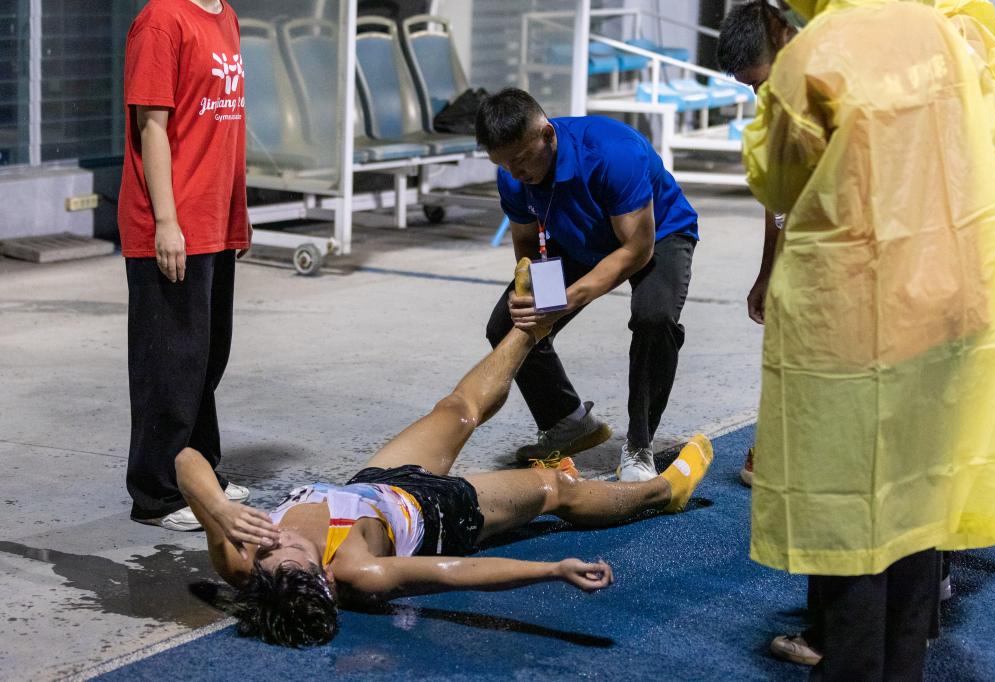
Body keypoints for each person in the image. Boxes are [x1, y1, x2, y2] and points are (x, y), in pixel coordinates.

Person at [175, 265, 714, 647]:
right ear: (327, 581)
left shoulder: (241, 556)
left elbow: (186, 461)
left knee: (457, 408)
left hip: (377, 485)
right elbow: (458, 572)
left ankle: (534, 326)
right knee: (556, 489)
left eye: (276, 554)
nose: (284, 540)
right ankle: (664, 491)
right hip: (439, 513)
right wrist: (551, 568)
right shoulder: (359, 570)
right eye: (298, 557)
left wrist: (217, 509)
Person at [742, 0, 995, 678]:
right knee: (915, 504)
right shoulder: (943, 33)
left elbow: (775, 177)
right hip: (944, 297)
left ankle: (853, 664)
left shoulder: (816, 52)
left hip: (851, 315)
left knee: (851, 513)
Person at [476, 88, 700, 482]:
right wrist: (533, 296)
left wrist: (566, 299)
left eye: (521, 160)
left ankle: (639, 444)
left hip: (656, 235)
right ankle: (567, 422)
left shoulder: (614, 153)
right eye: (503, 164)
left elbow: (636, 250)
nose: (514, 173)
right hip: (577, 237)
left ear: (547, 135)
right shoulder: (512, 174)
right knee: (510, 323)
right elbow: (526, 243)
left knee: (654, 317)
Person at [118, 0, 253, 531]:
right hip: (173, 220)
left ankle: (199, 473)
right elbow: (151, 126)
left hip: (214, 217)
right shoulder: (161, 20)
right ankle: (157, 492)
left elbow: (226, 129)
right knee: (168, 366)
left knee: (205, 358)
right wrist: (166, 221)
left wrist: (237, 213)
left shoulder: (225, 16)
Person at [717, 0, 797, 492]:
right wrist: (767, 271)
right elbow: (777, 199)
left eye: (761, 82)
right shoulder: (775, 108)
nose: (758, 94)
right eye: (750, 87)